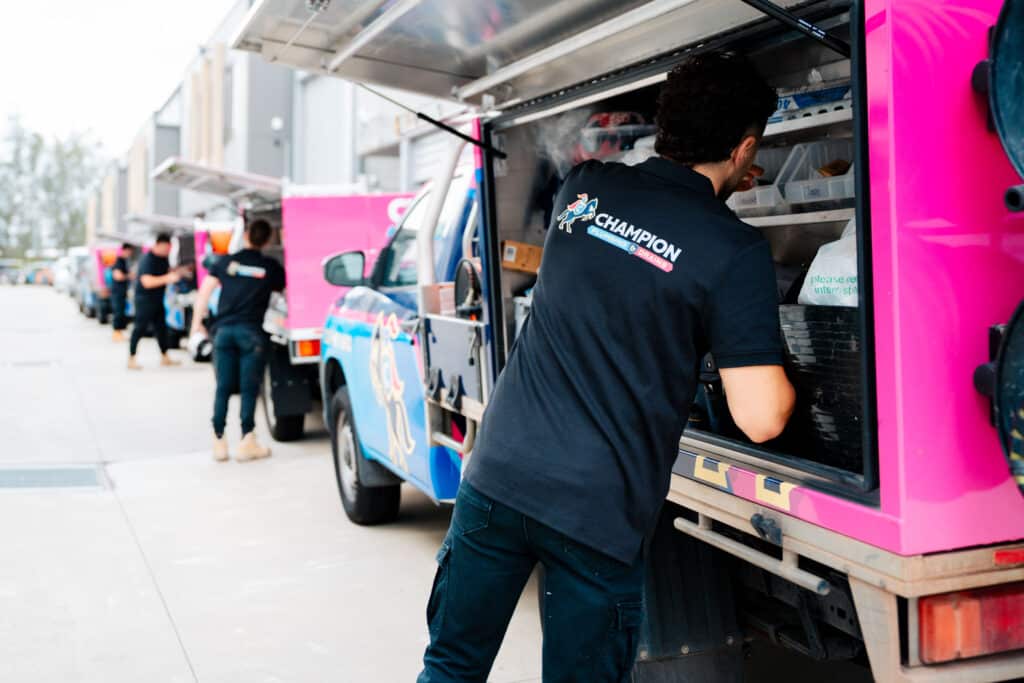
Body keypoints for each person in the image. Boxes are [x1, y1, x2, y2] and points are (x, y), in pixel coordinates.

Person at [418, 51, 797, 682]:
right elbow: (760, 418)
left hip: (497, 477)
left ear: (665, 126)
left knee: (451, 666)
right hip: (595, 514)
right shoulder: (733, 250)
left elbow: (631, 262)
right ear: (746, 147)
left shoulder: (585, 188)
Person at [190, 219, 285, 463]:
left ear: (245, 237)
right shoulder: (270, 266)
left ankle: (219, 442)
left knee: (222, 387)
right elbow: (282, 294)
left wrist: (196, 326)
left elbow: (205, 292)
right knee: (248, 389)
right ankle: (246, 441)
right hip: (251, 333)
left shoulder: (225, 262)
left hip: (222, 332)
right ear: (266, 241)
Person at [128, 233, 181, 370]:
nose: (167, 251)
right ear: (158, 245)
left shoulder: (163, 259)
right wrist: (167, 278)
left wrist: (179, 272)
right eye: (166, 248)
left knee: (161, 329)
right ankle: (131, 358)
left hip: (158, 300)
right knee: (139, 329)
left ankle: (165, 356)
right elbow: (147, 282)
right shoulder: (147, 259)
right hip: (144, 300)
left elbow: (166, 272)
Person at [110, 243, 135, 342]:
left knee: (121, 312)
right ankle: (116, 333)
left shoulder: (124, 261)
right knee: (118, 312)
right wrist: (129, 276)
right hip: (117, 292)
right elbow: (117, 275)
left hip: (122, 291)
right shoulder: (119, 261)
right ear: (125, 250)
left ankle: (119, 332)